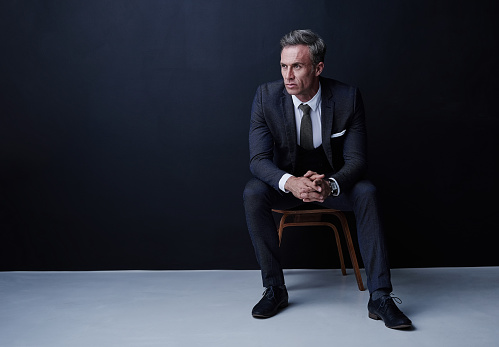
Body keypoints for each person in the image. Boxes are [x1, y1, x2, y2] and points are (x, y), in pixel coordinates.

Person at [243, 29, 412, 329]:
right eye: (283, 66)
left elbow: (357, 161)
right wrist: (290, 182)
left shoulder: (347, 98)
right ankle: (274, 289)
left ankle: (381, 297)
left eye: (297, 66)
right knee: (253, 193)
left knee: (367, 192)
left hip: (334, 184)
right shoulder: (266, 98)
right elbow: (258, 160)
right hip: (287, 185)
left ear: (318, 68)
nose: (288, 75)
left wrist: (330, 185)